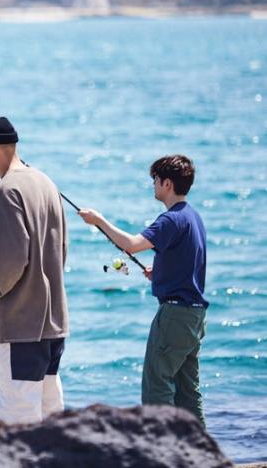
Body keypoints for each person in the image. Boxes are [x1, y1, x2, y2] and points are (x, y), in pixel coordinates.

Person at [78, 154, 207, 425]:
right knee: (187, 392)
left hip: (174, 316)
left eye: (156, 180)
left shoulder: (170, 219)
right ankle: (202, 453)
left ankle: (161, 452)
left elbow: (132, 244)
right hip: (194, 316)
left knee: (156, 388)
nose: (154, 185)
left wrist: (99, 220)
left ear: (167, 184)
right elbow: (188, 261)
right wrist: (160, 274)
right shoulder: (193, 217)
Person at [0, 115, 69, 424]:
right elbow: (61, 252)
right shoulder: (46, 182)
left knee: (16, 418)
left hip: (20, 325)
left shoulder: (6, 191)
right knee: (51, 416)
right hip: (53, 324)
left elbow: (9, 267)